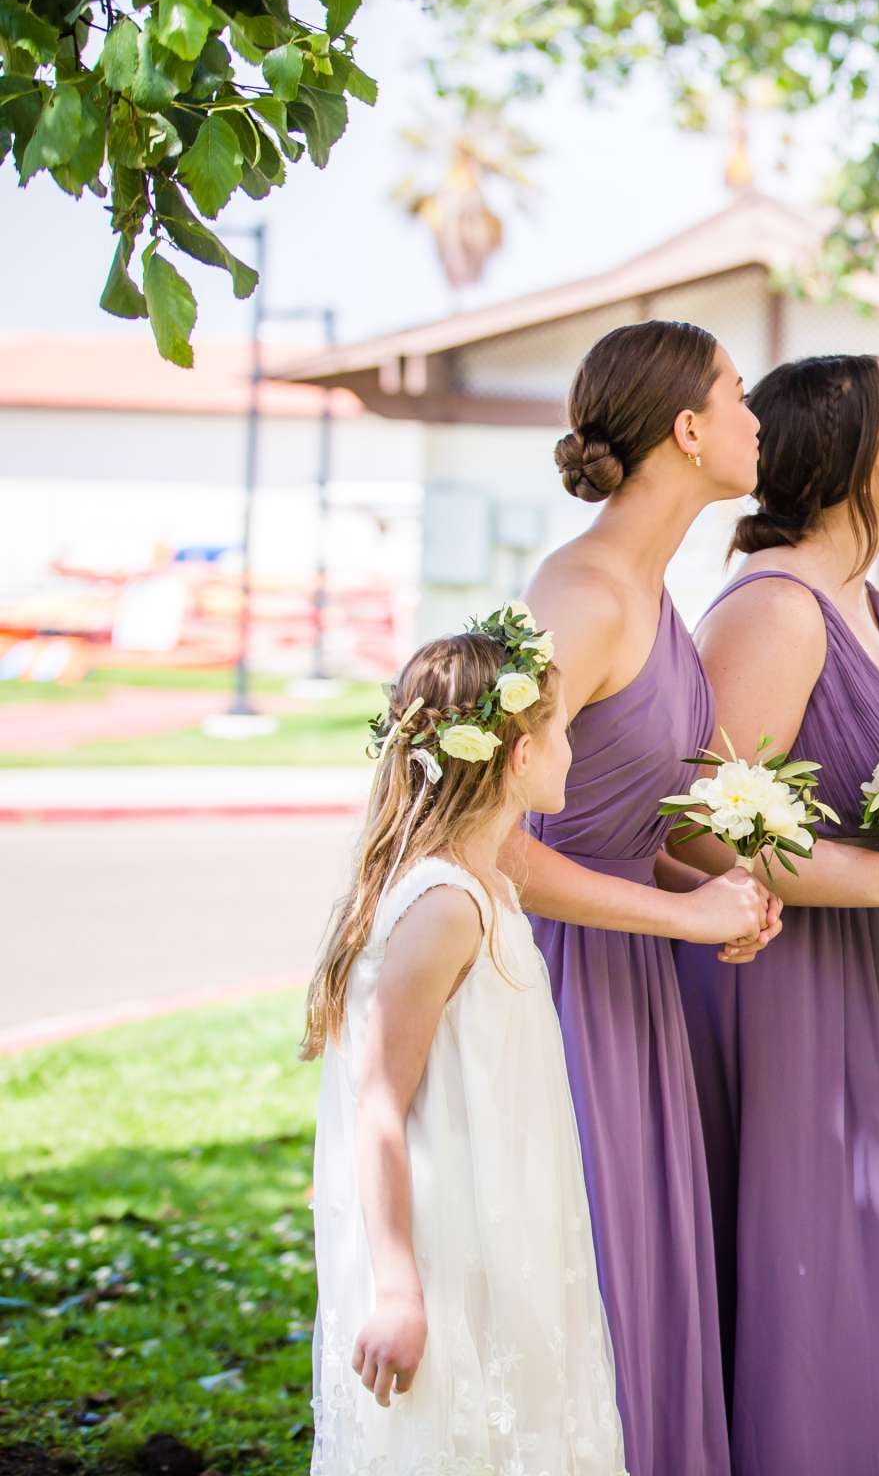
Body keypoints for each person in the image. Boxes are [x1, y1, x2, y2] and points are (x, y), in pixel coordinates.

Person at [667, 354, 879, 1473]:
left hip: (863, 971)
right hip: (782, 986)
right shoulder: (778, 608)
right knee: (823, 1263)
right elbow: (696, 834)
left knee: (877, 1251)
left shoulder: (865, 599)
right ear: (850, 458)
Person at [515, 319, 778, 1474]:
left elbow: (604, 826)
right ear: (687, 427)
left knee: (646, 1283)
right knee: (592, 1281)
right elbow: (486, 841)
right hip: (560, 991)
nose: (755, 418)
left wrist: (703, 883)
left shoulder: (655, 594)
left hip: (630, 985)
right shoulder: (582, 594)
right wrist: (681, 915)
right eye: (737, 394)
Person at [306, 608, 626, 1475]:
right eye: (560, 730)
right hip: (447, 1227)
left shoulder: (486, 880)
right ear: (519, 757)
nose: (570, 749)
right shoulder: (446, 904)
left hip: (504, 1204)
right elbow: (380, 1107)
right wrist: (401, 1289)